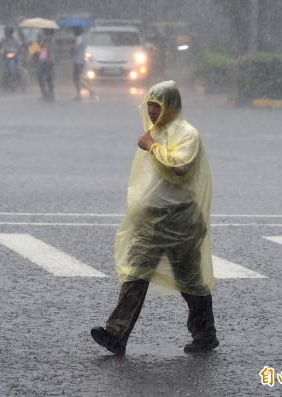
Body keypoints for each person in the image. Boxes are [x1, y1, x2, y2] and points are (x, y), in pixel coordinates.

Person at [91, 80, 218, 356]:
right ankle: (116, 334)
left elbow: (179, 167)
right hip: (151, 221)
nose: (150, 110)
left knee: (191, 282)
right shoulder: (155, 132)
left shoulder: (186, 133)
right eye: (149, 104)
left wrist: (150, 146)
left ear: (171, 106)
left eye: (156, 105)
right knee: (135, 275)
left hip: (181, 220)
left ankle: (205, 334)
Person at [71, 26, 94, 100]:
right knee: (77, 79)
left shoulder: (79, 38)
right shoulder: (82, 38)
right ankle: (89, 90)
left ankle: (81, 94)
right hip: (79, 60)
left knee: (76, 79)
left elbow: (76, 47)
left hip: (79, 61)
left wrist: (72, 47)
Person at [36, 29, 55, 102]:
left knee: (40, 78)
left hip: (46, 62)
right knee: (49, 79)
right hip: (50, 61)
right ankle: (50, 95)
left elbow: (45, 49)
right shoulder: (52, 38)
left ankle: (46, 95)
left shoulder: (47, 38)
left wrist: (41, 61)